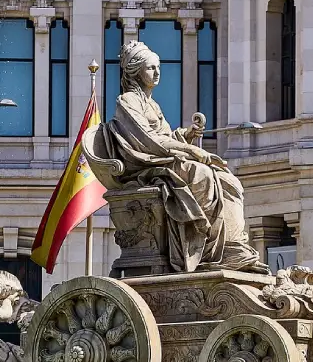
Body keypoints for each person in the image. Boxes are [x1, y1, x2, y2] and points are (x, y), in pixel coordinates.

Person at [100, 40, 269, 274]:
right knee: (204, 176)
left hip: (165, 160)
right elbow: (148, 141)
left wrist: (187, 136)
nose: (157, 72)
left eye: (158, 67)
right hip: (147, 167)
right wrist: (194, 151)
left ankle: (230, 245)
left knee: (228, 180)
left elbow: (167, 137)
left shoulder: (152, 105)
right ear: (135, 71)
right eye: (150, 68)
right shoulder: (128, 101)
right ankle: (208, 250)